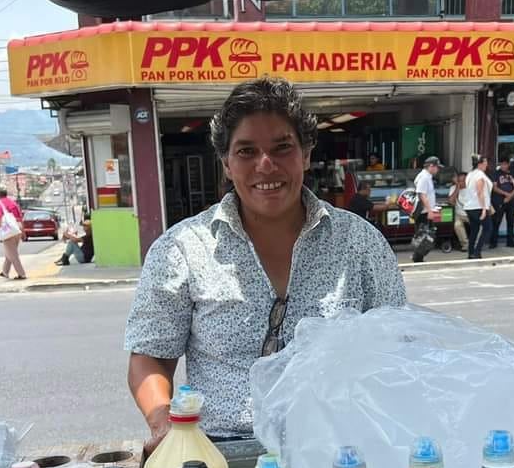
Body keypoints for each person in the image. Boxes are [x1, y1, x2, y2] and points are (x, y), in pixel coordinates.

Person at [125, 77, 406, 448]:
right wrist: (165, 424)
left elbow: (396, 349)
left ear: (306, 154)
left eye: (282, 147)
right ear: (226, 163)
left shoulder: (361, 243)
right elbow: (150, 356)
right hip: (221, 452)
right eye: (246, 151)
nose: (266, 165)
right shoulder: (183, 249)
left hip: (338, 454)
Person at [411, 155, 442, 263]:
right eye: (437, 167)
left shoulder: (427, 176)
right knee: (423, 236)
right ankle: (417, 257)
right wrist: (429, 210)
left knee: (426, 235)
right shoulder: (424, 177)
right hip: (423, 212)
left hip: (426, 211)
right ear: (431, 166)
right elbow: (422, 194)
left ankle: (418, 256)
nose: (438, 170)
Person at [463, 156, 494, 259]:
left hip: (469, 206)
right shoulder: (479, 175)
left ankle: (471, 252)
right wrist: (484, 209)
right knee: (488, 228)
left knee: (474, 230)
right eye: (485, 162)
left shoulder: (470, 174)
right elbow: (480, 192)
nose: (486, 164)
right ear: (479, 164)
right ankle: (477, 251)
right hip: (478, 206)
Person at [0, 186, 27, 280]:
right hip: (17, 228)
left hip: (8, 230)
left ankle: (22, 274)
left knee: (13, 254)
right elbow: (20, 218)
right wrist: (23, 232)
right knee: (10, 252)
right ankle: (5, 272)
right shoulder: (13, 202)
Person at [489, 155, 514, 249]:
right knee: (496, 222)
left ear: (508, 164)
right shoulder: (496, 173)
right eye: (502, 164)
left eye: (505, 164)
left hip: (511, 201)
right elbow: (494, 188)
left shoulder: (512, 173)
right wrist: (506, 194)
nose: (503, 166)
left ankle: (510, 241)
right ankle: (493, 242)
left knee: (511, 221)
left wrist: (510, 195)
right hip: (499, 201)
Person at [448, 171, 469, 251]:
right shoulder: (453, 188)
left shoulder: (472, 187)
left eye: (463, 181)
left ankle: (475, 244)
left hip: (470, 213)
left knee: (479, 225)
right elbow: (451, 201)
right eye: (459, 181)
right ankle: (465, 244)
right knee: (457, 225)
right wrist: (457, 188)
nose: (462, 183)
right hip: (459, 214)